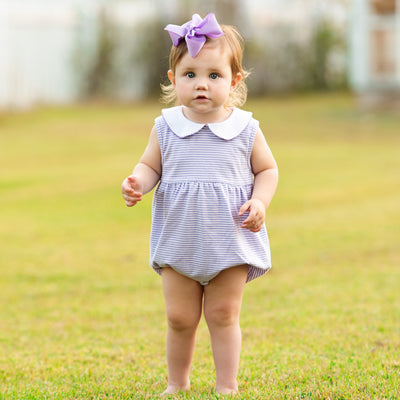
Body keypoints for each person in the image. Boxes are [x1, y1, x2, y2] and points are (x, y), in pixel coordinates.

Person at [121, 13, 278, 396]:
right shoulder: (166, 126)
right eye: (190, 75)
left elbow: (268, 169)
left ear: (234, 81)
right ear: (174, 80)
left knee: (223, 315)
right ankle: (177, 384)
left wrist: (259, 202)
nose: (201, 85)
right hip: (180, 238)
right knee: (179, 317)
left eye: (214, 75)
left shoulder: (245, 129)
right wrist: (137, 182)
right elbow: (150, 165)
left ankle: (227, 385)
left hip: (229, 238)